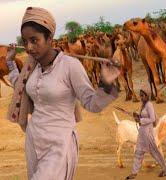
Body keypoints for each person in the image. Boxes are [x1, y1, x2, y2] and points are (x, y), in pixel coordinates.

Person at [6, 7, 120, 180]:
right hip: (33, 140)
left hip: (59, 144)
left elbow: (92, 103)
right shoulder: (31, 66)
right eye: (25, 41)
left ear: (50, 38)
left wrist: (106, 83)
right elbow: (19, 86)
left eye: (34, 40)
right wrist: (10, 63)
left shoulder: (70, 66)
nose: (29, 47)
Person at [126, 88, 166, 179]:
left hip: (148, 133)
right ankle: (134, 173)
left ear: (147, 96)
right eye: (140, 95)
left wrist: (140, 120)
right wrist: (136, 115)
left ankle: (165, 169)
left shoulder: (149, 105)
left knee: (154, 152)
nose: (141, 97)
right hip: (142, 132)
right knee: (138, 152)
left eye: (142, 96)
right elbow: (142, 116)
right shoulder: (143, 104)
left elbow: (152, 119)